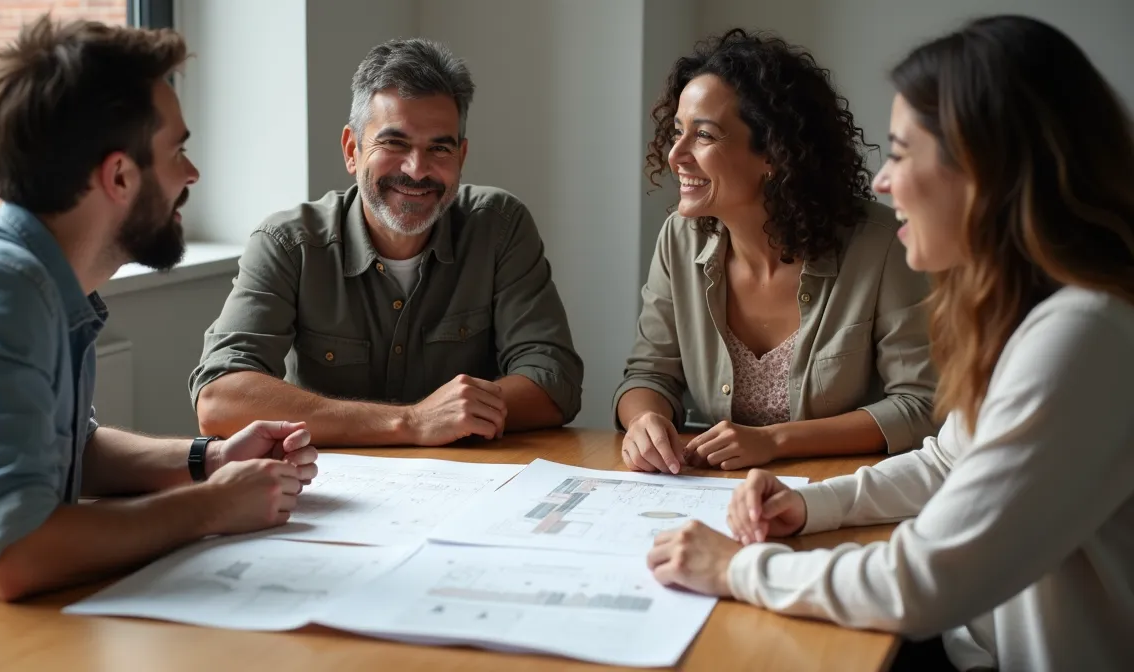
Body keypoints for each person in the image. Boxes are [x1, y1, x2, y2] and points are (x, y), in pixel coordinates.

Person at [647, 15, 1134, 671]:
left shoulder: (1082, 337)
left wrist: (739, 568)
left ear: (983, 169)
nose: (881, 181)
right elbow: (945, 464)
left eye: (902, 154)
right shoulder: (1037, 316)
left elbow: (919, 585)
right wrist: (811, 502)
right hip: (970, 643)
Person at [0, 16, 318, 627]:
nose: (191, 175)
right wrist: (212, 507)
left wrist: (209, 460)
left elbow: (69, 448)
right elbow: (13, 548)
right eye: (178, 151)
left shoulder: (28, 272)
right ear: (118, 176)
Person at [190, 38, 583, 447]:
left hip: (471, 483)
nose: (417, 170)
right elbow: (219, 399)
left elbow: (555, 382)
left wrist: (454, 415)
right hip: (330, 492)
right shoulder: (289, 243)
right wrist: (412, 422)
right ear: (351, 150)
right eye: (394, 143)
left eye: (439, 148)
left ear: (461, 157)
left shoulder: (499, 227)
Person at [615, 29, 937, 475]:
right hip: (717, 495)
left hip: (848, 494)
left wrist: (774, 442)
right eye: (676, 132)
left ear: (773, 155)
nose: (675, 155)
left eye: (703, 136)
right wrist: (644, 419)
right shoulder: (679, 238)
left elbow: (921, 406)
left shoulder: (881, 245)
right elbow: (649, 375)